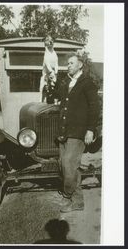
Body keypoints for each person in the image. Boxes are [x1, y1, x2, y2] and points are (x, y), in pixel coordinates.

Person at [55, 53, 100, 212]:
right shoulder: (67, 82)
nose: (68, 66)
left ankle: (67, 198)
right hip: (64, 131)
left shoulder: (87, 83)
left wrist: (90, 129)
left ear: (80, 65)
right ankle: (79, 201)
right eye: (68, 63)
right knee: (65, 165)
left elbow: (95, 107)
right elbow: (60, 100)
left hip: (78, 131)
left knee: (69, 164)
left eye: (71, 63)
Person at [40, 35, 58, 103]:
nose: (50, 41)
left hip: (53, 75)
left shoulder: (54, 53)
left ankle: (55, 101)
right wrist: (51, 71)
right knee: (43, 88)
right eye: (47, 40)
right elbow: (47, 63)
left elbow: (56, 62)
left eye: (51, 40)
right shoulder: (46, 54)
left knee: (54, 87)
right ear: (45, 42)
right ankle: (41, 102)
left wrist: (56, 71)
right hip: (46, 75)